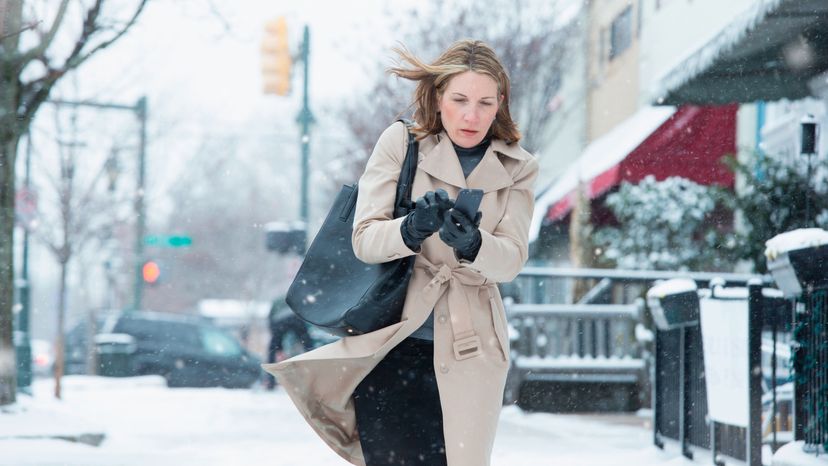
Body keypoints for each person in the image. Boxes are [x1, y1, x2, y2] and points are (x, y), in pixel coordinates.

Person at [263, 39, 538, 466]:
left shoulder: (519, 166)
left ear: (500, 103)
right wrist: (410, 230)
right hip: (392, 342)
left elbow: (512, 258)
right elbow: (365, 240)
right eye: (460, 99)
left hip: (471, 349)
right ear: (438, 97)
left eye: (485, 102)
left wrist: (473, 244)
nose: (472, 115)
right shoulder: (401, 142)